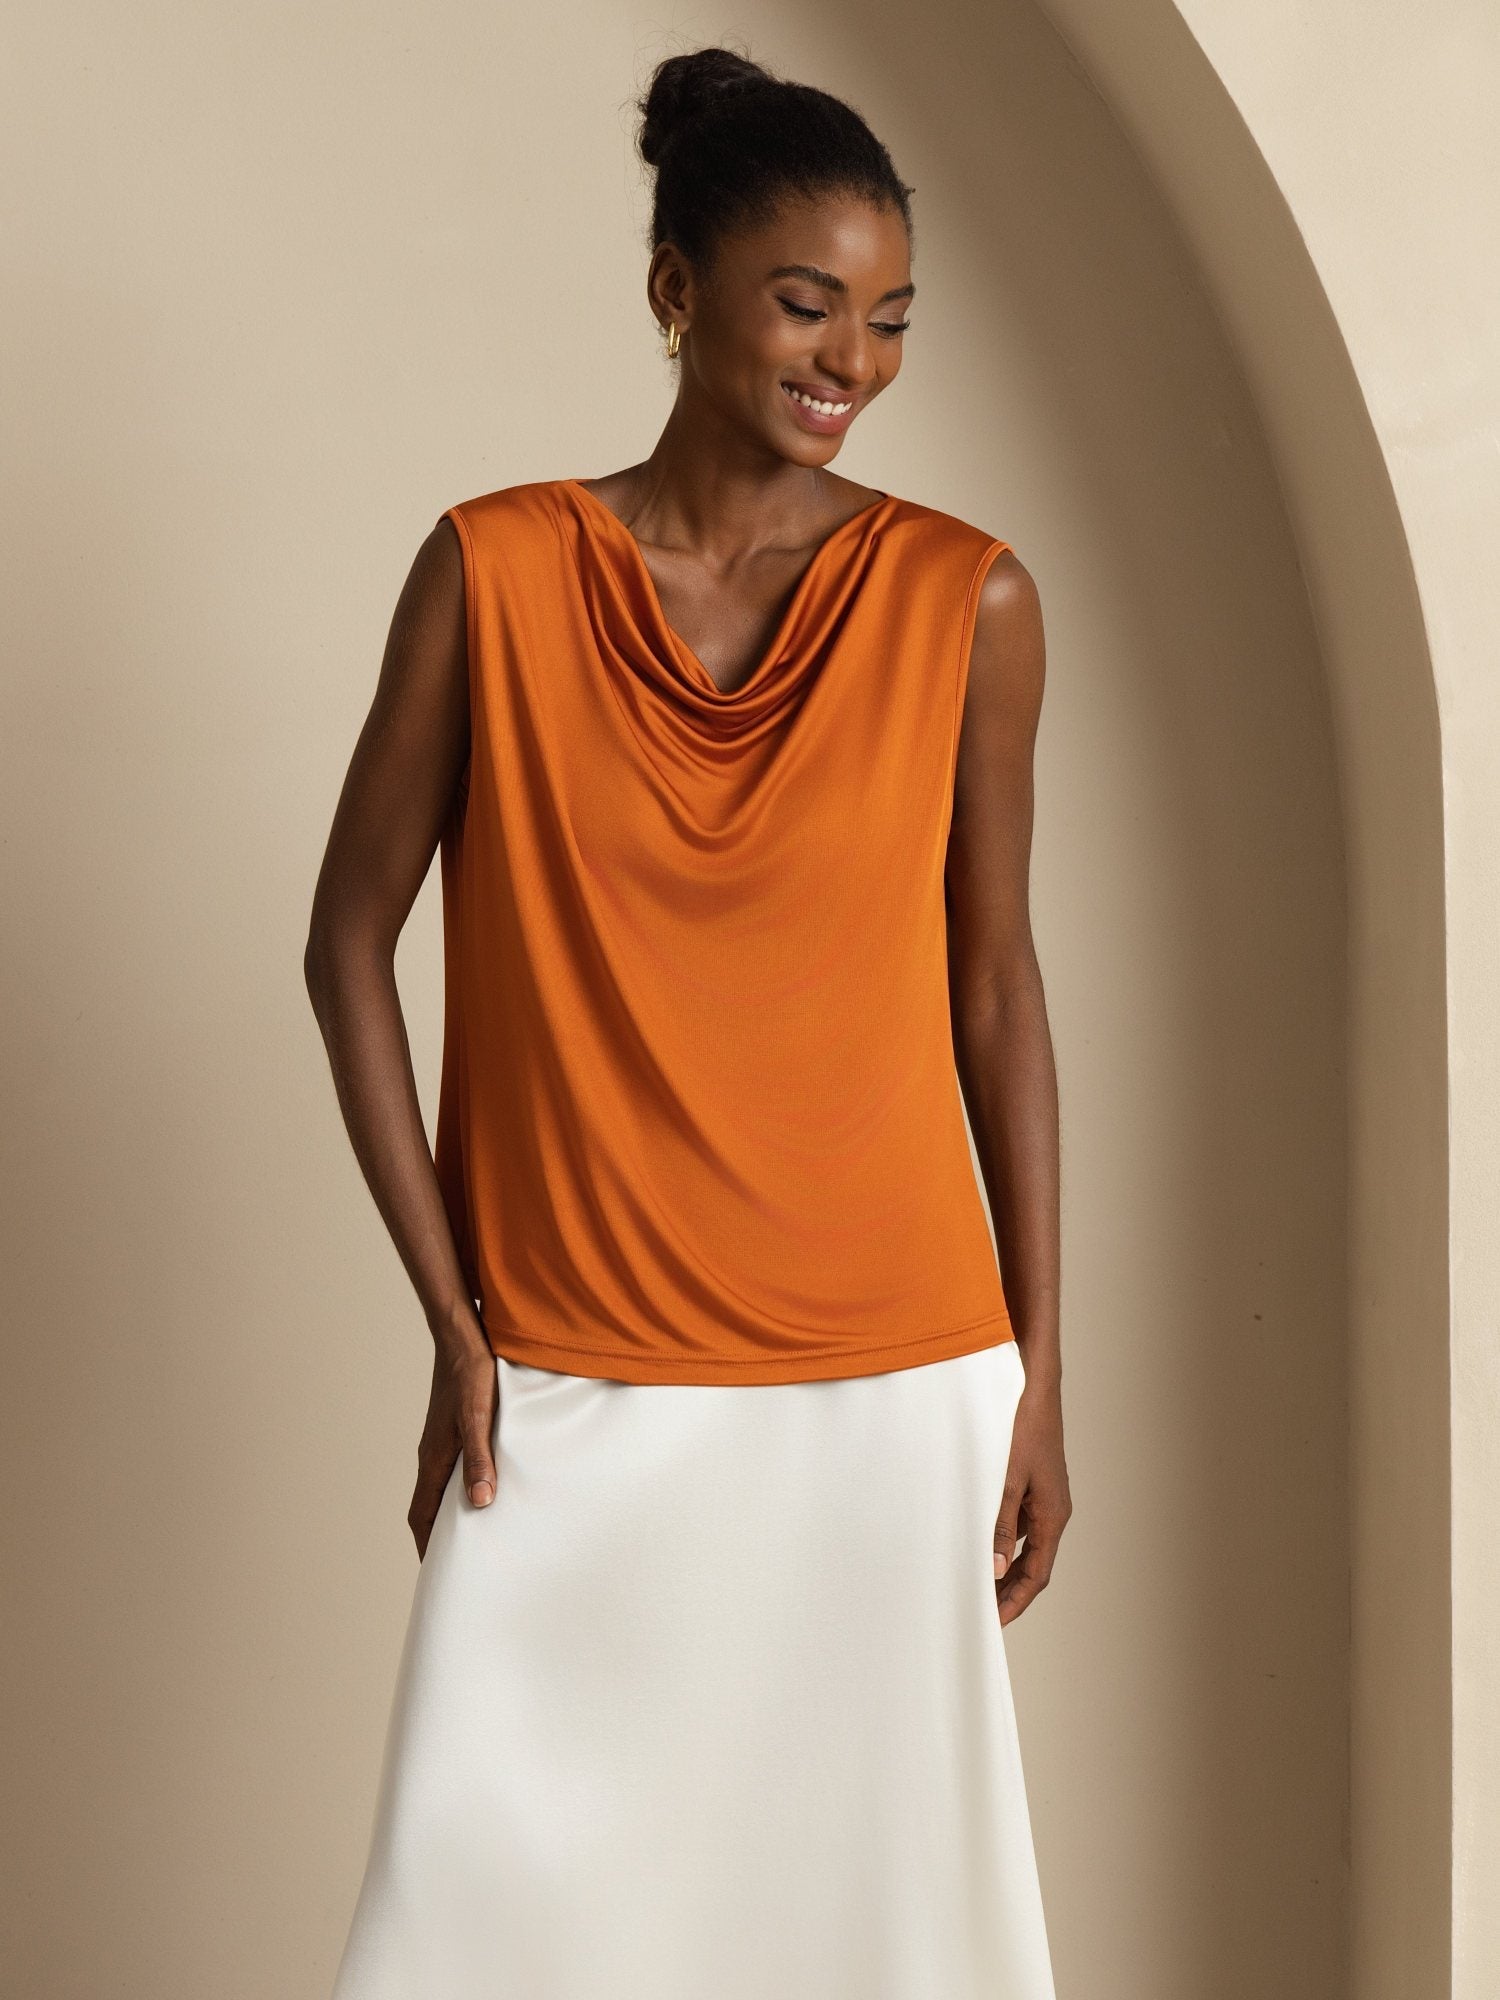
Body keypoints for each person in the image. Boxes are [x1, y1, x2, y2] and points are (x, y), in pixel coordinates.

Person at [304, 41, 1070, 2000]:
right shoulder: (494, 572)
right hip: (570, 1353)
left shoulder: (967, 603)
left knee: (872, 1938)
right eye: (807, 304)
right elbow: (345, 943)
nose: (852, 359)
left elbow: (996, 984)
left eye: (889, 319)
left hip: (892, 1376)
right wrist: (453, 1317)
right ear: (675, 289)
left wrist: (1040, 1371)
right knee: (480, 1933)